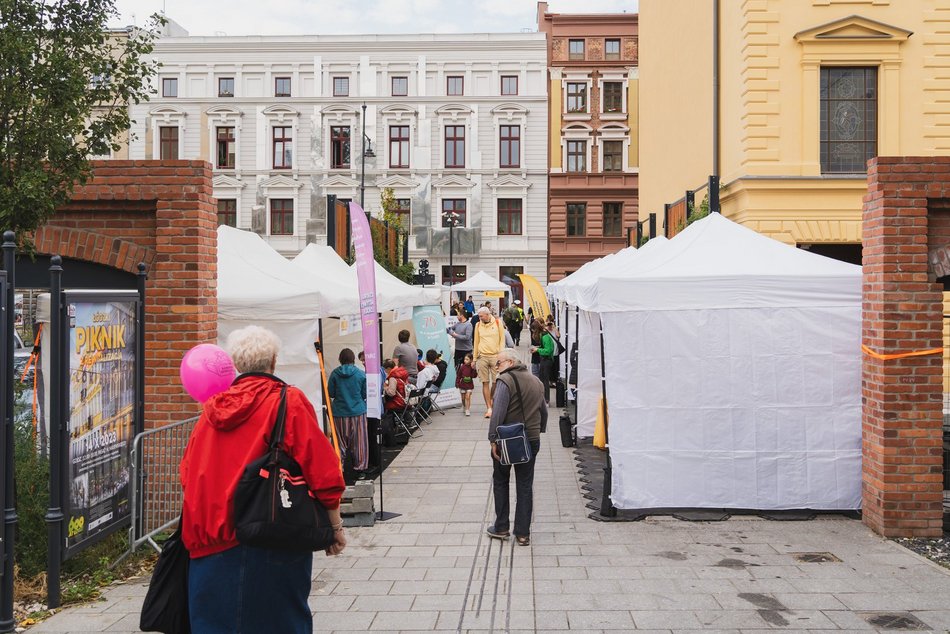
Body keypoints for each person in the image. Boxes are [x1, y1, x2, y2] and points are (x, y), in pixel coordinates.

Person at [180, 325, 346, 633]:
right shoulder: (288, 401)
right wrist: (335, 526)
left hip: (209, 546)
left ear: (237, 366)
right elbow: (322, 469)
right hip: (273, 534)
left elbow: (188, 473)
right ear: (273, 361)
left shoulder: (211, 411)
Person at [486, 348, 547, 547]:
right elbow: (543, 411)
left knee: (501, 480)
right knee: (525, 484)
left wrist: (492, 438)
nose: (497, 367)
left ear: (511, 362)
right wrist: (538, 430)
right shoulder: (536, 381)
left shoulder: (506, 381)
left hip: (508, 440)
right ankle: (522, 533)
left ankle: (502, 526)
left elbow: (498, 412)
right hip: (531, 438)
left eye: (499, 362)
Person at [327, 348, 368, 474]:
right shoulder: (360, 374)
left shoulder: (334, 374)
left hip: (339, 412)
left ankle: (339, 469)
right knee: (359, 442)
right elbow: (364, 394)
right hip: (358, 412)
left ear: (340, 359)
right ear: (353, 360)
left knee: (339, 443)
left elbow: (331, 393)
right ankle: (360, 469)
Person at [473, 306, 506, 418]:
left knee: (496, 381)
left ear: (487, 315)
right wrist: (474, 359)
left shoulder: (497, 322)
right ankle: (489, 407)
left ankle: (491, 399)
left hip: (495, 356)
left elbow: (502, 340)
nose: (480, 318)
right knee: (485, 382)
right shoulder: (478, 325)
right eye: (479, 316)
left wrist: (501, 356)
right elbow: (476, 342)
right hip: (482, 356)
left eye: (481, 316)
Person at [532, 321, 557, 404]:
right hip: (544, 359)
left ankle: (546, 400)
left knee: (545, 380)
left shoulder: (545, 336)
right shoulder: (544, 335)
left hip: (547, 360)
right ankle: (543, 399)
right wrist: (538, 348)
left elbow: (549, 350)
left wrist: (538, 349)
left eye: (533, 330)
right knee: (542, 379)